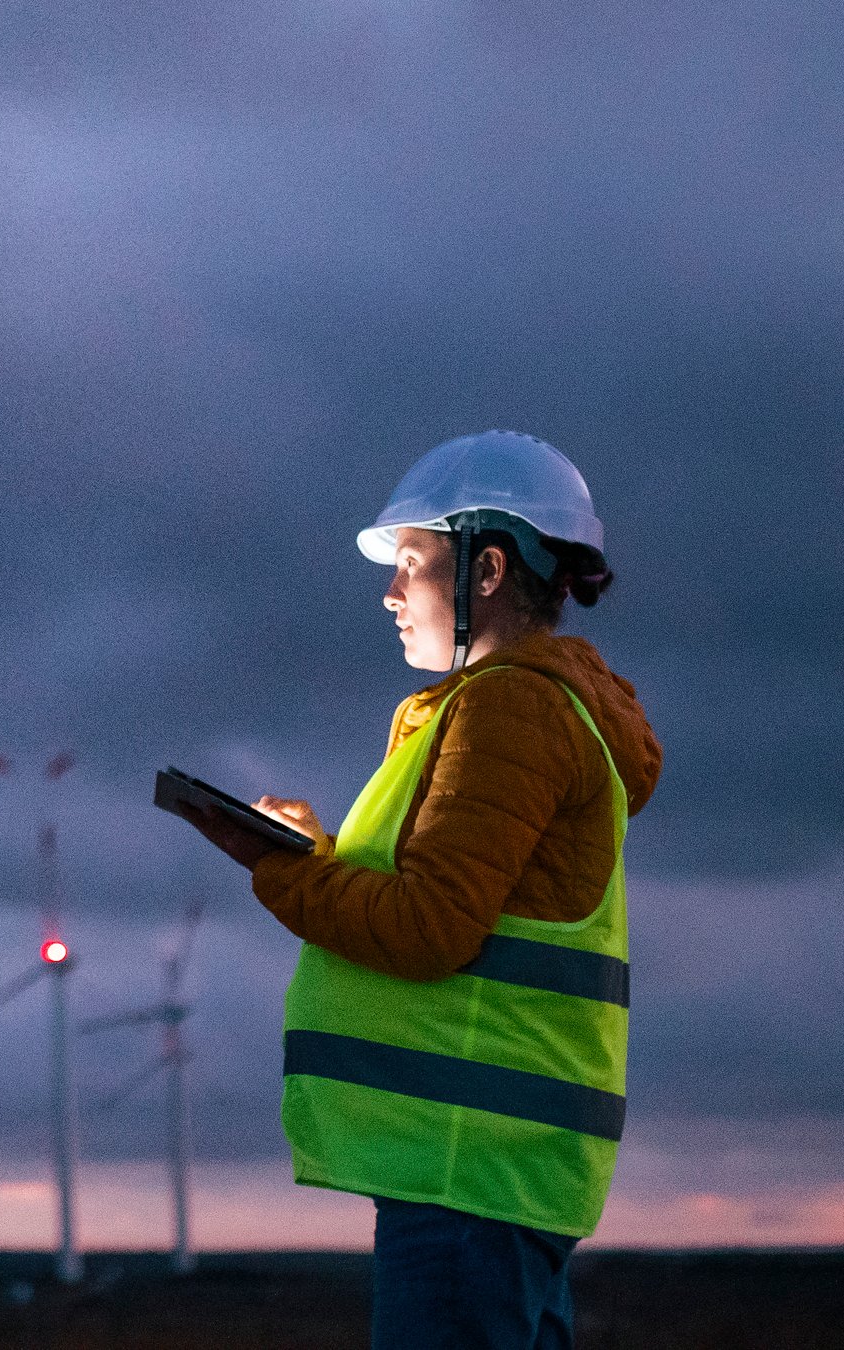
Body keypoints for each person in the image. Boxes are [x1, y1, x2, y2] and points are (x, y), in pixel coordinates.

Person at [171, 431, 661, 1349]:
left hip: (467, 1168)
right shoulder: (530, 708)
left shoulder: (509, 709)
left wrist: (277, 865)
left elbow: (431, 926)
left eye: (408, 562)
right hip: (494, 1170)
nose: (390, 593)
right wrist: (316, 850)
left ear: (485, 569)